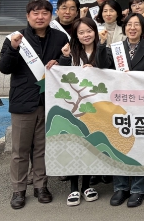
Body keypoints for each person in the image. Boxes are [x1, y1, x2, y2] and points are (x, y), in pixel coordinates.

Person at [0, 0, 69, 209]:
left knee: (42, 148)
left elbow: (68, 66)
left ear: (51, 15)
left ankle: (41, 186)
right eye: (35, 13)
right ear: (28, 16)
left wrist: (62, 61)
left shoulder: (60, 37)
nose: (40, 17)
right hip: (23, 101)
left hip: (50, 101)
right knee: (20, 150)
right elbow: (4, 68)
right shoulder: (16, 38)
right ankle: (18, 190)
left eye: (45, 13)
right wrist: (13, 48)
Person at [98, 12, 144, 208]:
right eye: (129, 24)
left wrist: (136, 77)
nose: (132, 28)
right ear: (124, 28)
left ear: (143, 29)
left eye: (137, 25)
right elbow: (103, 66)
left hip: (141, 104)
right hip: (118, 104)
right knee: (118, 144)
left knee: (140, 146)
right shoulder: (116, 47)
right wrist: (102, 44)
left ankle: (138, 189)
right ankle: (120, 187)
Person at [57, 17, 102, 206]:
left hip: (97, 107)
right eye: (81, 32)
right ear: (76, 35)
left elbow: (110, 72)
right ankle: (74, 187)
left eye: (89, 31)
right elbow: (60, 75)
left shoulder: (102, 50)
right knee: (75, 144)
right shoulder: (72, 52)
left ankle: (87, 186)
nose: (86, 35)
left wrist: (96, 68)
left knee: (92, 145)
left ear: (95, 32)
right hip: (75, 108)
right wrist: (64, 57)